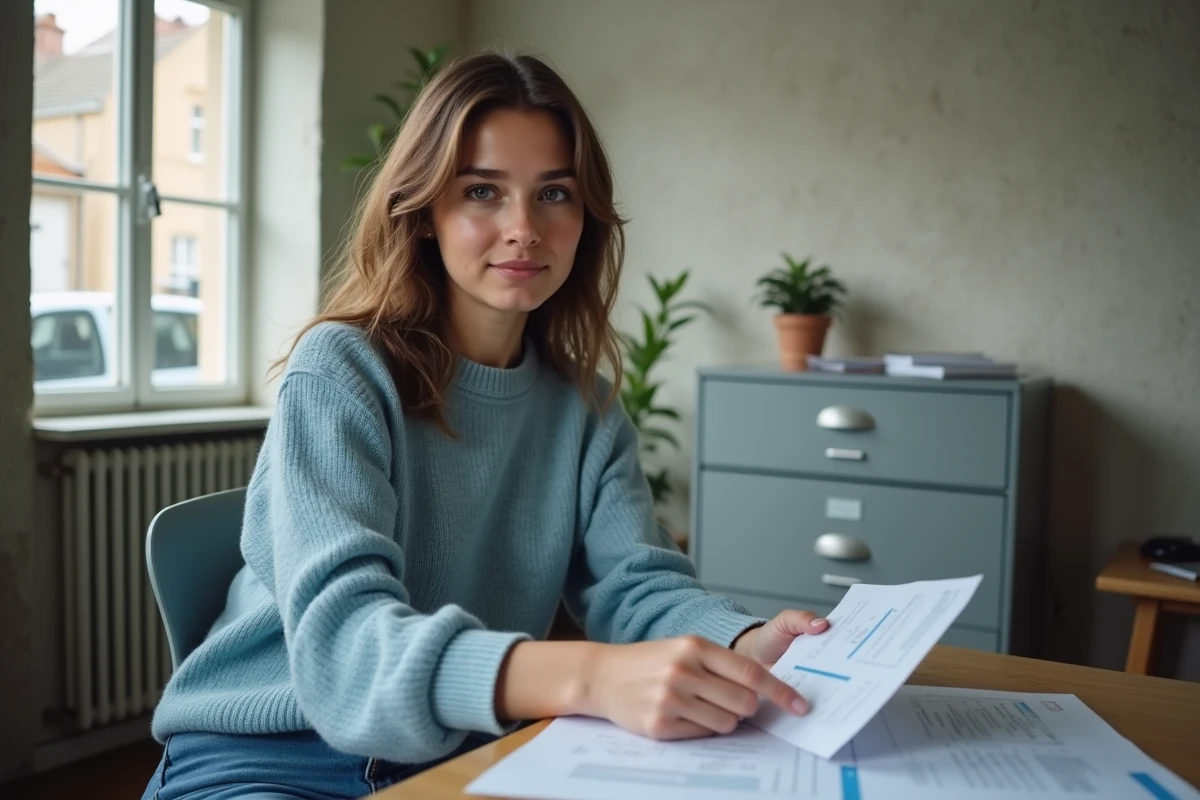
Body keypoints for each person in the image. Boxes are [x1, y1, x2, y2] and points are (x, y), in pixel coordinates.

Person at [141, 50, 829, 800]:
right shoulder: (340, 370)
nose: (524, 228)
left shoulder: (586, 408)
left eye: (554, 193)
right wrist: (588, 676)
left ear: (585, 217)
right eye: (482, 191)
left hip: (452, 759)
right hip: (271, 757)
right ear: (426, 213)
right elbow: (347, 650)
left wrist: (747, 642)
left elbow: (638, 588)